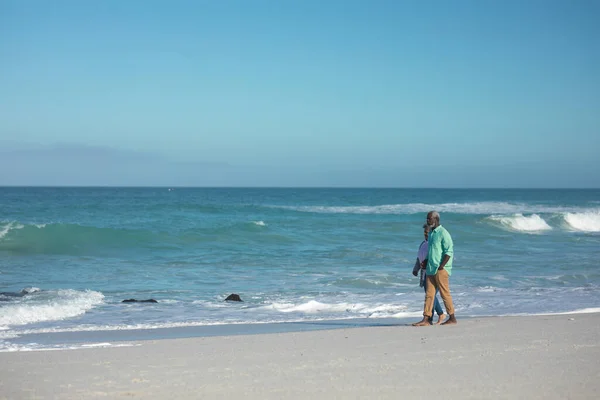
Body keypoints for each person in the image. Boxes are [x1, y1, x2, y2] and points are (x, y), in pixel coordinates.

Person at [413, 211, 457, 326]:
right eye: (427, 219)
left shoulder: (443, 233)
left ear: (436, 219)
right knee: (429, 294)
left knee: (444, 293)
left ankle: (452, 317)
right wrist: (425, 261)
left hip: (441, 269)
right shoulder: (432, 233)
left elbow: (449, 252)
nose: (427, 221)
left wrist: (442, 266)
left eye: (429, 219)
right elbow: (431, 251)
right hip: (430, 269)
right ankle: (426, 319)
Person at [412, 224, 446, 324]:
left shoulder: (434, 244)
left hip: (434, 273)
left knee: (430, 295)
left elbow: (439, 257)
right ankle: (436, 316)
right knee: (429, 295)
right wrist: (416, 269)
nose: (425, 234)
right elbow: (419, 258)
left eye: (427, 232)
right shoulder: (423, 244)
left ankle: (433, 317)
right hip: (424, 274)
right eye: (424, 232)